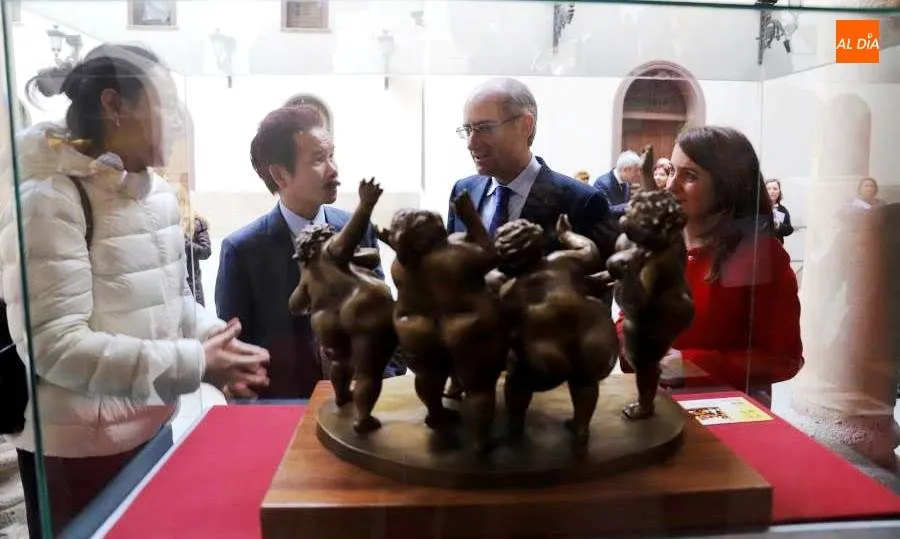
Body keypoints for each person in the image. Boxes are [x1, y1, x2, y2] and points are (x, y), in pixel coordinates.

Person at [2, 44, 269, 537]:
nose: (178, 122)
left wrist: (217, 339)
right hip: (77, 453)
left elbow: (166, 302)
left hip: (150, 429)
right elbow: (54, 346)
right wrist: (193, 362)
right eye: (164, 104)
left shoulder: (156, 195)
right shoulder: (49, 198)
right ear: (114, 105)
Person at [215, 106, 404, 401]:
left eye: (332, 155)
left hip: (362, 401)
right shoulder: (243, 251)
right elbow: (237, 352)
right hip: (285, 407)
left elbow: (381, 320)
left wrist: (386, 381)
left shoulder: (357, 228)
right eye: (319, 159)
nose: (333, 169)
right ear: (280, 174)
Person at [620, 126, 803, 403]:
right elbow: (630, 316)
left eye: (689, 175)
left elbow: (783, 358)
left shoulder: (759, 255)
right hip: (655, 398)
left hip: (725, 406)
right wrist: (631, 343)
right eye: (672, 171)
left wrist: (692, 364)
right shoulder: (660, 240)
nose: (671, 185)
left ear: (727, 184)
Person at [447, 77, 615, 261]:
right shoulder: (463, 192)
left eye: (484, 128)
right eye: (468, 129)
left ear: (525, 125)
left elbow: (597, 283)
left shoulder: (584, 203)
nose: (471, 144)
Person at [174, 183, 212, 305]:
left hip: (192, 285)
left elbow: (206, 251)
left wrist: (182, 241)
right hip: (172, 285)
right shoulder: (167, 223)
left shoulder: (195, 221)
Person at [593, 150, 642, 218]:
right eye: (636, 170)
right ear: (625, 170)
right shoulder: (602, 184)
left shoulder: (627, 182)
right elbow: (605, 211)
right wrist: (629, 205)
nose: (638, 174)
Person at [765, 178, 794, 244]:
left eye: (775, 189)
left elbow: (789, 230)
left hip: (777, 247)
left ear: (779, 192)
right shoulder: (759, 208)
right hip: (760, 248)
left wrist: (777, 225)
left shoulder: (783, 210)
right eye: (768, 189)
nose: (772, 191)